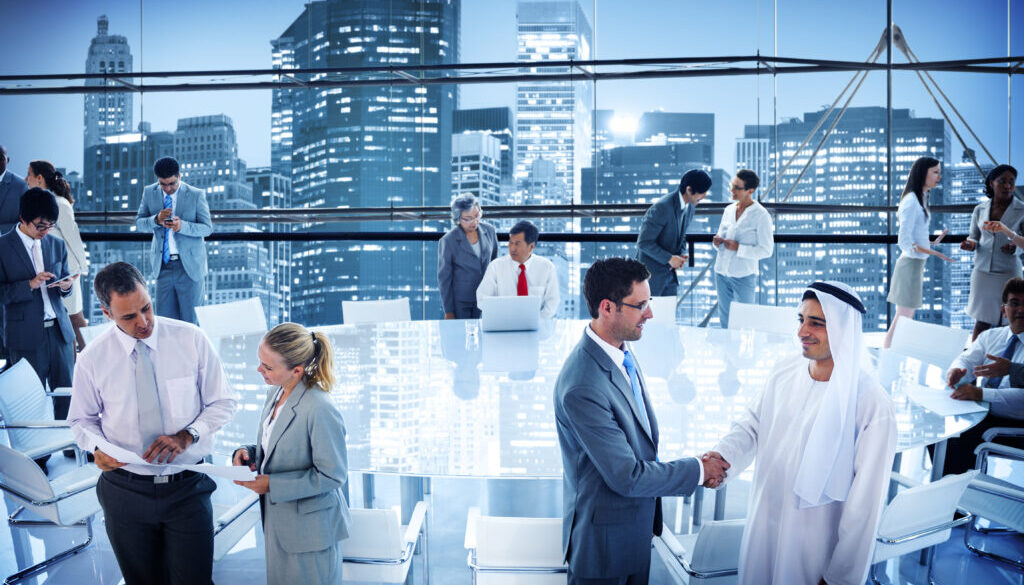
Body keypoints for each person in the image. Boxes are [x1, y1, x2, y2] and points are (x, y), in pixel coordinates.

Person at [707, 281, 896, 585]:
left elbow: (866, 505)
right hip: (764, 525)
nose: (802, 331)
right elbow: (750, 426)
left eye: (817, 323)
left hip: (816, 547)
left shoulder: (871, 401)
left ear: (843, 329)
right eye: (801, 320)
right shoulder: (783, 371)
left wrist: (840, 577)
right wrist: (721, 458)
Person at [553, 257, 728, 584]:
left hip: (632, 534)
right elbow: (628, 475)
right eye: (640, 305)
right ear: (607, 307)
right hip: (603, 551)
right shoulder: (582, 385)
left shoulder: (619, 351)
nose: (649, 313)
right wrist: (700, 470)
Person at [68, 261, 236, 585]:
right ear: (107, 313)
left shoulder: (191, 339)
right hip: (124, 490)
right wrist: (96, 448)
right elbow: (81, 420)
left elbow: (223, 401)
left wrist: (189, 435)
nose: (144, 322)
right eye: (129, 317)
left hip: (187, 485)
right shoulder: (92, 359)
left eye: (146, 308)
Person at [231, 323, 351, 584]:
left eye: (267, 367)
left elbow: (332, 475)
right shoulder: (275, 392)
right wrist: (247, 452)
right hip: (279, 523)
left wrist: (272, 483)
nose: (259, 370)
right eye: (260, 362)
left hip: (310, 534)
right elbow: (275, 444)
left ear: (296, 370)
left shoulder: (320, 408)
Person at [0, 189, 77, 424]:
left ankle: (69, 445)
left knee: (67, 394)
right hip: (25, 335)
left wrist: (65, 286)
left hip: (59, 331)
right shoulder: (3, 247)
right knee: (30, 398)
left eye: (50, 226)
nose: (45, 232)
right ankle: (37, 454)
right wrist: (30, 284)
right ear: (23, 218)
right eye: (40, 226)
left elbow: (65, 286)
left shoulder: (56, 244)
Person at [945, 277, 1024, 475]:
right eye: (1014, 303)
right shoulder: (991, 337)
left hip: (1015, 424)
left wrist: (980, 394)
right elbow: (965, 360)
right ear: (1003, 309)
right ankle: (951, 494)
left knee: (955, 441)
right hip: (982, 412)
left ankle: (959, 497)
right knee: (941, 433)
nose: (1021, 310)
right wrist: (956, 372)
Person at [884, 156, 955, 348]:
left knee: (906, 318)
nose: (939, 176)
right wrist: (935, 253)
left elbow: (915, 237)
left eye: (939, 171)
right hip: (909, 266)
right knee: (902, 319)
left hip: (915, 266)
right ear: (922, 173)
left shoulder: (921, 198)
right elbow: (904, 241)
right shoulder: (911, 202)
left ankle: (893, 356)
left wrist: (933, 243)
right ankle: (889, 357)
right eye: (935, 172)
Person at [135, 156, 212, 324]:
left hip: (190, 268)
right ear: (157, 180)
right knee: (166, 323)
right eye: (163, 184)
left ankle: (191, 352)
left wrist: (182, 226)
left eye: (172, 183)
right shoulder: (149, 192)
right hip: (163, 267)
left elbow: (207, 228)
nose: (168, 188)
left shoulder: (196, 195)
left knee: (191, 323)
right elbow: (139, 223)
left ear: (179, 176)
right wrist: (156, 220)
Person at [27, 160, 89, 351]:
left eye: (29, 174)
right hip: (53, 271)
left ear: (39, 178)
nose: (26, 179)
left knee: (74, 320)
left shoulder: (59, 204)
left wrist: (81, 269)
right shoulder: (43, 204)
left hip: (68, 271)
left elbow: (74, 238)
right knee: (65, 324)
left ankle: (97, 365)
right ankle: (73, 370)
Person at [959, 164, 1023, 340]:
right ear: (991, 183)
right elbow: (974, 237)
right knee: (982, 321)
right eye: (1002, 181)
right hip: (982, 273)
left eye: (1011, 181)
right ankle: (975, 360)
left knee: (1012, 322)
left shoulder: (1022, 210)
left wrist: (1014, 247)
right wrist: (969, 245)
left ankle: (1007, 362)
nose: (1008, 186)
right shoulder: (980, 209)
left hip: (1008, 273)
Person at [712, 169, 774, 328]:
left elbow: (766, 250)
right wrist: (717, 242)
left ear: (750, 191)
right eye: (732, 186)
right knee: (725, 320)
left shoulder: (761, 215)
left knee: (745, 321)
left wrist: (739, 248)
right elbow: (721, 236)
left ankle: (744, 352)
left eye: (737, 188)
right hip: (721, 272)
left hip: (743, 275)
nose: (732, 190)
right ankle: (728, 351)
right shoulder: (728, 210)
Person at [636, 169, 711, 297]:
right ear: (689, 190)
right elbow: (644, 242)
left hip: (670, 275)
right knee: (649, 315)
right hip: (651, 277)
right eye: (702, 192)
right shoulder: (662, 207)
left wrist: (682, 253)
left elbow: (682, 235)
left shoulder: (690, 207)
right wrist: (670, 259)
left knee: (668, 314)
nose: (704, 196)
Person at [476, 219, 561, 318]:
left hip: (536, 325)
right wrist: (502, 315)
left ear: (531, 246)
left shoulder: (547, 268)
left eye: (517, 243)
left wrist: (536, 320)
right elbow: (482, 299)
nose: (512, 248)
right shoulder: (495, 267)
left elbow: (553, 302)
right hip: (504, 323)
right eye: (510, 243)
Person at [438, 193, 498, 319]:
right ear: (458, 219)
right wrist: (449, 311)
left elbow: (494, 265)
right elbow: (444, 279)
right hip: (461, 301)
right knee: (461, 336)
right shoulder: (448, 241)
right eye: (468, 218)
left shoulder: (490, 231)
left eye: (477, 216)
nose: (474, 222)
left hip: (486, 299)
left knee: (485, 337)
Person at [0, 145, 29, 362]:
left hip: (9, 255)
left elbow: (24, 222)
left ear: (7, 160)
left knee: (6, 306)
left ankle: (8, 357)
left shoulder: (20, 186)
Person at [0, 145, 27, 234]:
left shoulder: (20, 185)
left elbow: (26, 221)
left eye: (0, 157)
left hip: (7, 242)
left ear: (8, 160)